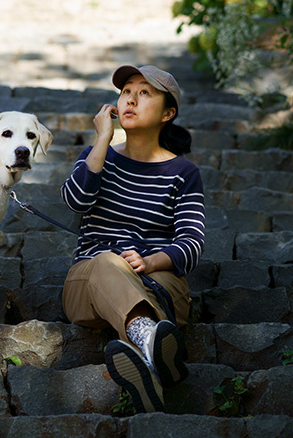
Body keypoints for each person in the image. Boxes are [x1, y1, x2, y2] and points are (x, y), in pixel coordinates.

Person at [60, 64, 206, 413]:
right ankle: (150, 340)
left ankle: (147, 364)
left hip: (159, 282)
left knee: (156, 275)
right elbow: (75, 200)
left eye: (144, 93)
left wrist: (150, 261)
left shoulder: (184, 173)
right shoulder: (100, 157)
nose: (131, 100)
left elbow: (191, 241)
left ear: (167, 113)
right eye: (126, 91)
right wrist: (101, 140)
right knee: (107, 262)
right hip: (91, 282)